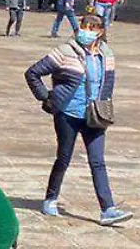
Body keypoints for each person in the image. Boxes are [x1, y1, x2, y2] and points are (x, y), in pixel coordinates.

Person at [27, 14, 131, 226]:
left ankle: (108, 209)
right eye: (84, 26)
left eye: (92, 27)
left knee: (98, 161)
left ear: (100, 31)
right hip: (68, 113)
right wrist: (47, 96)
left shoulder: (106, 54)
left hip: (95, 114)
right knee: (64, 158)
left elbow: (107, 83)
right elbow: (33, 73)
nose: (86, 31)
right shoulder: (65, 52)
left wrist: (105, 103)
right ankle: (51, 198)